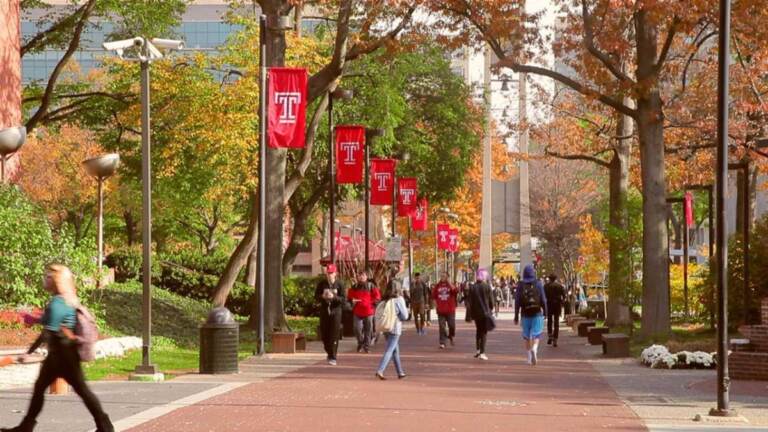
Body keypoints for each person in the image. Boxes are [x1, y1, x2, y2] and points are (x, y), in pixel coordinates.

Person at [2, 265, 113, 432]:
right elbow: (47, 327)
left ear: (56, 281)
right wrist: (29, 346)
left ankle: (105, 425)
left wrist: (28, 354)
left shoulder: (58, 303)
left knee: (81, 390)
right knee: (43, 388)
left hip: (64, 355)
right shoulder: (63, 300)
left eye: (47, 277)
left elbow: (49, 332)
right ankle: (26, 426)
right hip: (60, 354)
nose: (44, 280)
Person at [375, 273, 409, 380]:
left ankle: (400, 372)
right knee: (390, 349)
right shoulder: (399, 299)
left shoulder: (385, 298)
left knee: (395, 350)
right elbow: (404, 316)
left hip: (386, 326)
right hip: (395, 327)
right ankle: (380, 370)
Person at [514, 264, 548, 366]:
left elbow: (517, 301)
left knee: (526, 336)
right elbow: (543, 299)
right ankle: (535, 348)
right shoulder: (538, 283)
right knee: (536, 335)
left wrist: (516, 315)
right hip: (537, 312)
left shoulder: (520, 285)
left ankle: (529, 358)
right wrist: (545, 312)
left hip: (525, 313)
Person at [314, 264, 346, 365]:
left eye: (331, 273)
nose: (329, 275)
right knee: (325, 335)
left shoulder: (340, 284)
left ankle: (333, 356)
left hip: (336, 311)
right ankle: (329, 351)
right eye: (328, 273)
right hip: (324, 311)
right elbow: (316, 296)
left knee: (334, 335)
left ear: (335, 273)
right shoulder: (322, 284)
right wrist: (323, 296)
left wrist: (334, 297)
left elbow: (343, 299)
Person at [347, 270, 380, 353]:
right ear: (357, 277)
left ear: (366, 277)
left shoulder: (371, 286)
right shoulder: (354, 287)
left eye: (363, 275)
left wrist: (371, 305)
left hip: (369, 312)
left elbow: (377, 297)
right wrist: (352, 301)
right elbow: (349, 298)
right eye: (359, 275)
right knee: (356, 329)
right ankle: (360, 342)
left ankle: (367, 346)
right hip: (357, 311)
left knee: (368, 330)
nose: (361, 277)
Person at [469, 271, 495, 360]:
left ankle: (478, 350)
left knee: (478, 330)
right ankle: (482, 352)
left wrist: (470, 314)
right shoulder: (487, 287)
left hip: (476, 313)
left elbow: (470, 302)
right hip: (485, 312)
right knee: (484, 332)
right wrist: (491, 309)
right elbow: (492, 302)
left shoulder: (473, 287)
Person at [432, 272, 459, 349]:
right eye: (441, 276)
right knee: (442, 327)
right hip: (441, 310)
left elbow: (456, 291)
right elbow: (434, 296)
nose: (442, 277)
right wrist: (436, 305)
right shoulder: (437, 286)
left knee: (452, 325)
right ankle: (442, 342)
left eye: (444, 276)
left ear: (447, 277)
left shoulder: (451, 285)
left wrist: (449, 283)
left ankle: (451, 336)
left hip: (450, 309)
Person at [544, 274, 566, 347]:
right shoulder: (559, 286)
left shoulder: (546, 286)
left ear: (549, 279)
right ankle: (555, 339)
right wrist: (562, 303)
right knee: (556, 322)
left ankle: (550, 335)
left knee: (549, 321)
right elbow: (564, 296)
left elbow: (543, 296)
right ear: (555, 278)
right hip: (557, 305)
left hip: (549, 304)